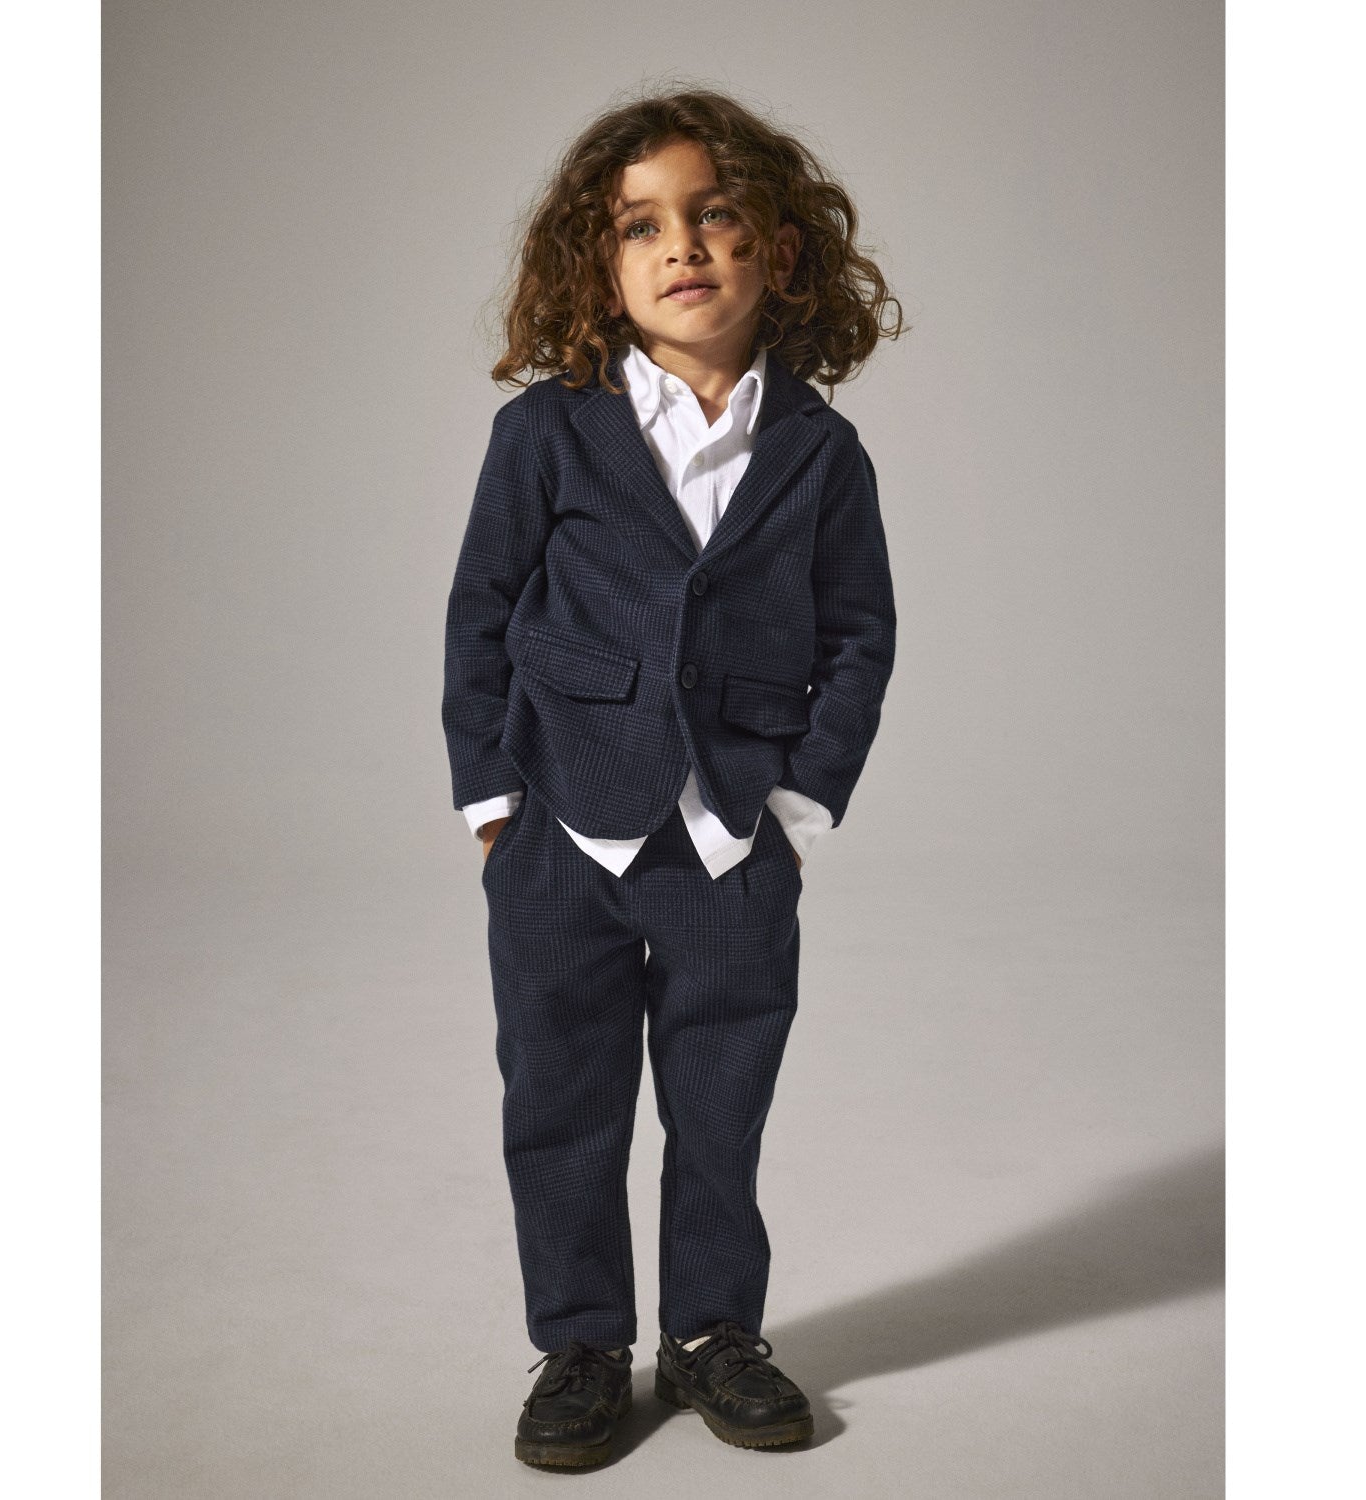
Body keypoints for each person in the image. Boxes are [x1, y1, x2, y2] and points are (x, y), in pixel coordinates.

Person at [441, 86, 901, 1468]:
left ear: (782, 251)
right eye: (640, 225)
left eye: (713, 214)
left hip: (731, 838)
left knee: (721, 1101)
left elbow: (859, 634)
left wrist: (799, 803)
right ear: (599, 266)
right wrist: (493, 801)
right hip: (560, 828)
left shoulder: (820, 451)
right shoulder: (548, 431)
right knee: (561, 1102)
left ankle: (711, 1334)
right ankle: (581, 1344)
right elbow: (482, 611)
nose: (681, 245)